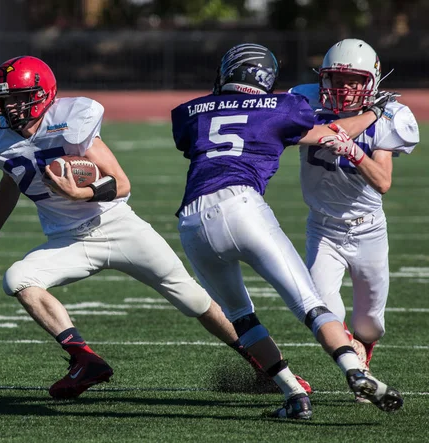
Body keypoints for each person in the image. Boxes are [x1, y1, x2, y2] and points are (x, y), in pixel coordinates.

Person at [0, 55, 295, 401]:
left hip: (119, 226)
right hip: (68, 239)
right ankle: (84, 360)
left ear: (44, 94)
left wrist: (81, 192)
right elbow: (10, 180)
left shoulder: (71, 120)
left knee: (195, 299)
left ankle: (265, 365)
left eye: (20, 97)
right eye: (5, 99)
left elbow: (121, 183)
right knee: (18, 279)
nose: (12, 106)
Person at [171, 43, 404, 419]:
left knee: (241, 318)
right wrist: (376, 111)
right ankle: (355, 371)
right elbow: (332, 132)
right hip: (244, 208)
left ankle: (294, 395)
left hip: (193, 223)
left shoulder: (189, 112)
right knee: (311, 305)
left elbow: (194, 141)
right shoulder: (281, 106)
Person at [290, 39, 419, 398]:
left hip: (368, 230)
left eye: (353, 81)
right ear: (322, 79)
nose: (343, 88)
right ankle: (355, 364)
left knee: (370, 324)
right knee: (320, 308)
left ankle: (364, 353)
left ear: (372, 81)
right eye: (335, 79)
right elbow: (287, 134)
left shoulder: (393, 115)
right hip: (323, 227)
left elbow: (383, 183)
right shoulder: (304, 102)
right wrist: (354, 125)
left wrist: (354, 152)